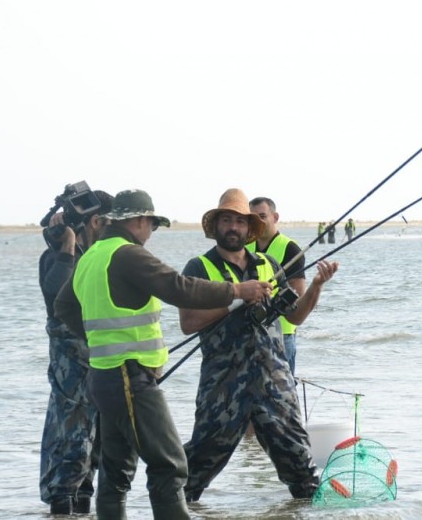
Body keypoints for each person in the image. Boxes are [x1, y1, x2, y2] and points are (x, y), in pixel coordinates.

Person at [54, 189, 265, 520]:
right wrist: (237, 290)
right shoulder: (128, 255)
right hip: (130, 377)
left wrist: (97, 337)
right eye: (151, 224)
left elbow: (64, 306)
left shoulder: (92, 255)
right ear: (138, 221)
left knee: (117, 467)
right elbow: (179, 287)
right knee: (171, 463)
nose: (151, 233)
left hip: (105, 376)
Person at [178, 188, 338, 503]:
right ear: (216, 226)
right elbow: (189, 323)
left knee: (303, 472)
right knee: (194, 471)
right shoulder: (198, 268)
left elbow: (297, 316)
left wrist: (316, 287)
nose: (233, 227)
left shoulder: (269, 263)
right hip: (223, 384)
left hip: (274, 383)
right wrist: (238, 295)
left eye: (240, 221)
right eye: (227, 220)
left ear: (249, 228)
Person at [39, 188, 113, 516]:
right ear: (96, 221)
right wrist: (66, 248)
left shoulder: (105, 256)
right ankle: (59, 503)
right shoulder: (58, 256)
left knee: (96, 442)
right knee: (71, 437)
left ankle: (83, 502)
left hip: (101, 359)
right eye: (110, 222)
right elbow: (56, 298)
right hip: (70, 364)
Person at [246, 195, 309, 375]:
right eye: (253, 218)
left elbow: (297, 295)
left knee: (283, 392)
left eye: (263, 216)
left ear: (275, 217)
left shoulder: (290, 248)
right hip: (251, 331)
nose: (258, 221)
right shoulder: (245, 246)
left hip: (283, 334)